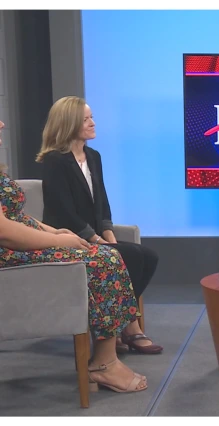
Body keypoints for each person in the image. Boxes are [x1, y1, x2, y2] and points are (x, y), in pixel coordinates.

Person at [0, 120, 147, 393]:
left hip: (23, 240)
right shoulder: (57, 162)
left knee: (108, 254)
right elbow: (5, 231)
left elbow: (15, 216)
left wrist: (54, 233)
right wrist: (59, 240)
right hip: (8, 253)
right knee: (104, 260)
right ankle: (105, 364)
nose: (2, 123)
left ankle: (110, 351)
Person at [36, 96, 162, 355]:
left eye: (92, 117)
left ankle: (118, 323)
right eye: (86, 119)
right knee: (127, 258)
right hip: (70, 237)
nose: (93, 123)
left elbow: (102, 203)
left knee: (147, 256)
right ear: (70, 123)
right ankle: (130, 327)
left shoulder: (93, 156)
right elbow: (63, 211)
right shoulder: (55, 161)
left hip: (95, 236)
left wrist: (108, 234)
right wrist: (96, 240)